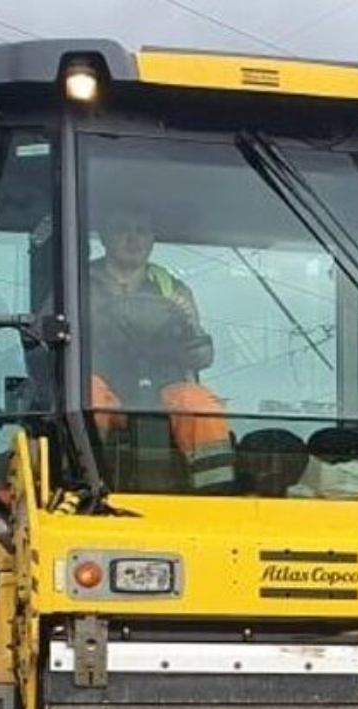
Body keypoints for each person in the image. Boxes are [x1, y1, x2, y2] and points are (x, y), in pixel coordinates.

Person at [86, 202, 234, 492]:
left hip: (163, 390)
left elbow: (202, 357)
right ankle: (85, 483)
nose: (133, 239)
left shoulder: (172, 289)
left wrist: (190, 323)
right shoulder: (75, 283)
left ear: (152, 238)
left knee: (200, 404)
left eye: (142, 231)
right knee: (87, 395)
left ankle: (217, 495)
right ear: (104, 237)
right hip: (104, 385)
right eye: (122, 230)